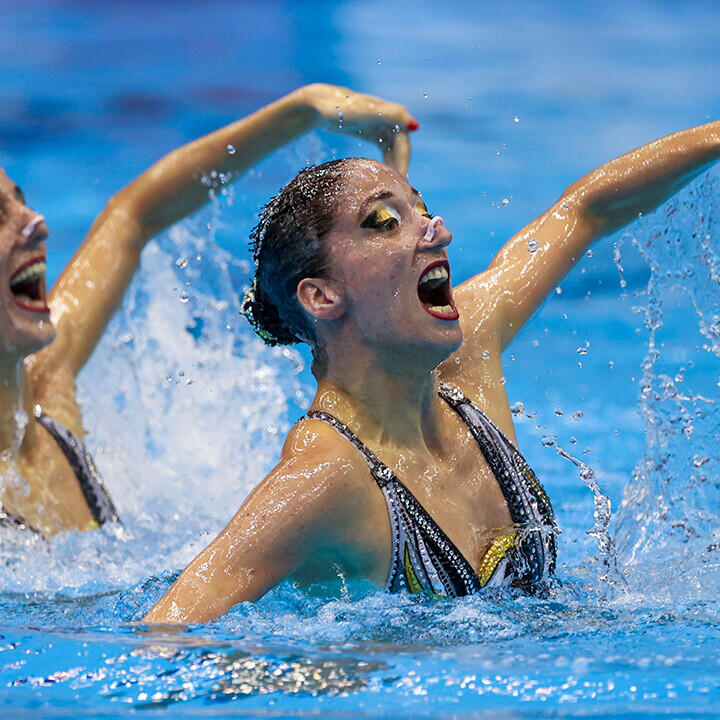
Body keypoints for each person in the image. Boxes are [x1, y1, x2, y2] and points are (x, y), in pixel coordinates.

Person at [143, 106, 720, 623]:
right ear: (321, 297)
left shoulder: (467, 358)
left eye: (421, 209)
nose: (437, 229)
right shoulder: (329, 478)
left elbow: (587, 210)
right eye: (384, 222)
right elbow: (164, 634)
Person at [0, 84, 414, 536]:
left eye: (20, 201)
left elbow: (135, 215)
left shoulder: (45, 388)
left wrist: (301, 111)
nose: (35, 222)